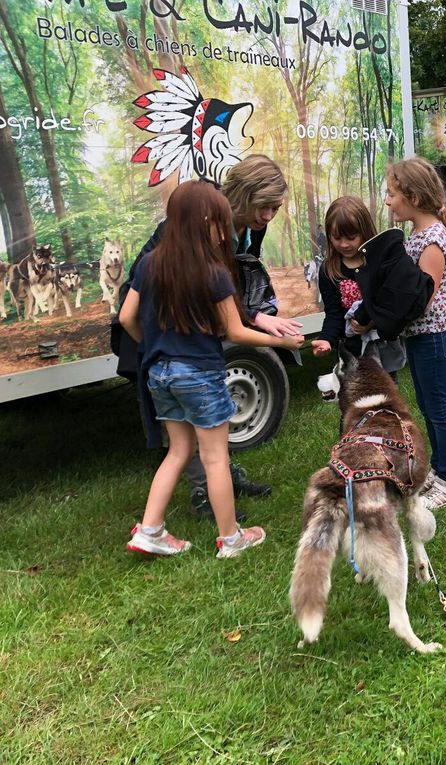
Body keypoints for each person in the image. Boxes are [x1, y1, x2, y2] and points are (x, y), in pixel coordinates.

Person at [118, 181, 303, 557]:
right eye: (220, 223)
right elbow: (235, 331)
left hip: (159, 374)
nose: (225, 232)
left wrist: (151, 347)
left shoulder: (151, 264)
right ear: (205, 223)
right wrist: (282, 342)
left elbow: (126, 317)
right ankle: (232, 538)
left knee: (178, 451)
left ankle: (150, 529)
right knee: (215, 456)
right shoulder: (213, 272)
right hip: (200, 375)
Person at [386, 158, 446, 509]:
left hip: (434, 336)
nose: (388, 201)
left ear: (413, 197)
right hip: (422, 336)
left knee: (439, 409)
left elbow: (422, 299)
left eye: (391, 194)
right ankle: (439, 469)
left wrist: (384, 317)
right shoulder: (418, 235)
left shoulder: (431, 239)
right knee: (428, 405)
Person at [311, 196, 433, 378]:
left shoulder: (380, 262)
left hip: (384, 347)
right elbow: (334, 313)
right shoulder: (328, 270)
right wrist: (326, 339)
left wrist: (371, 322)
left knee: (385, 397)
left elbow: (392, 302)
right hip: (351, 352)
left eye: (351, 237)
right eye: (337, 237)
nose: (344, 244)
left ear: (365, 231)